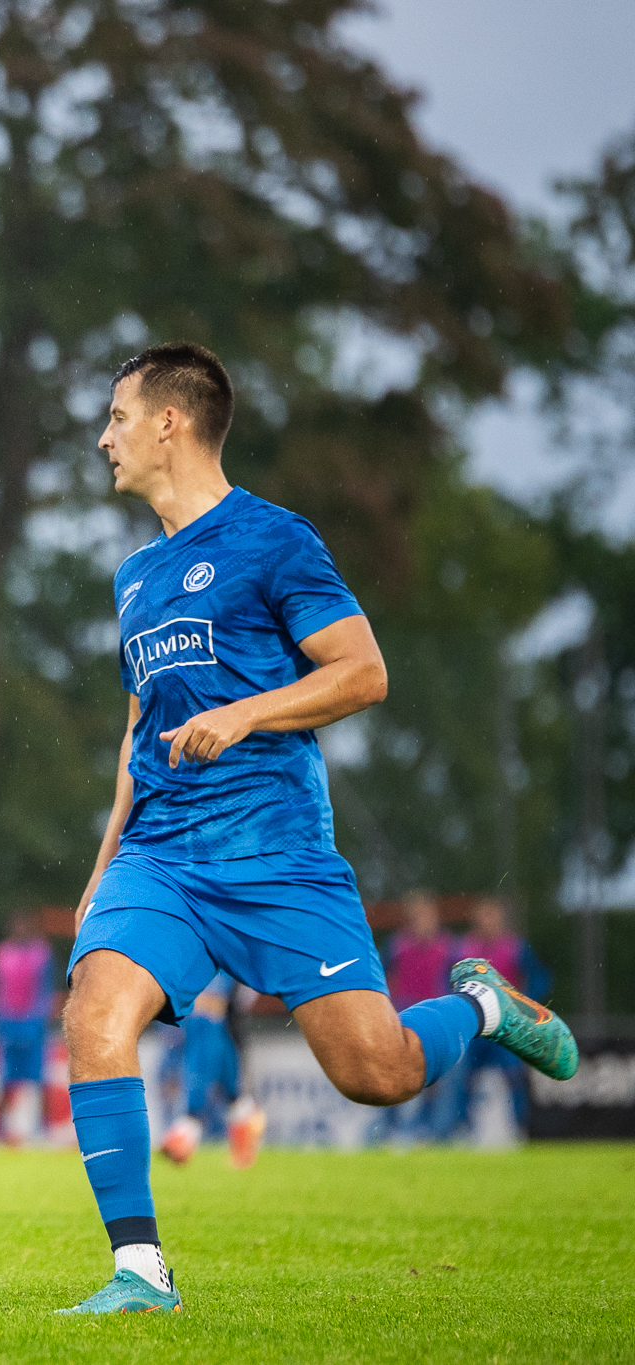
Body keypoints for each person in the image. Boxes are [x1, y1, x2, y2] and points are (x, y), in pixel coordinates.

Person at [57, 343, 578, 1315]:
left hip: (275, 858)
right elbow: (138, 729)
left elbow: (362, 671)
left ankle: (481, 1009)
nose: (103, 437)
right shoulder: (132, 576)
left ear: (169, 421)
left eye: (117, 417)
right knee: (92, 1015)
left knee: (373, 1073)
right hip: (160, 860)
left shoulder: (271, 540)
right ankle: (138, 1272)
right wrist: (100, 871)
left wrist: (245, 713)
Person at [452, 896, 552, 1136]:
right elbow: (446, 981)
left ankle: (521, 1127)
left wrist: (522, 1003)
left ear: (501, 918)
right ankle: (463, 1129)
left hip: (506, 1027)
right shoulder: (463, 949)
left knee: (514, 1076)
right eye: (484, 916)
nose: (488, 922)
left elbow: (540, 978)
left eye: (493, 916)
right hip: (476, 1028)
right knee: (463, 1078)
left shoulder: (515, 947)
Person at [154, 972, 266, 1168]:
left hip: (230, 959)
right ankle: (242, 1110)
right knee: (204, 1017)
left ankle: (191, 1122)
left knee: (206, 1011)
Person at [378, 890, 460, 1140]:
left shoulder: (450, 949)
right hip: (404, 1019)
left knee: (449, 1072)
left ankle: (440, 1132)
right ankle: (387, 1129)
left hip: (437, 1020)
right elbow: (378, 980)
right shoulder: (396, 947)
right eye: (418, 917)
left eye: (427, 916)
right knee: (389, 1071)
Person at [0, 912, 56, 1145]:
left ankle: (44, 1129)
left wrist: (38, 1022)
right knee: (4, 1081)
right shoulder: (2, 954)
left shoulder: (41, 954)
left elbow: (44, 991)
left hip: (34, 1027)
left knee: (41, 1081)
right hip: (8, 1025)